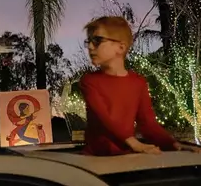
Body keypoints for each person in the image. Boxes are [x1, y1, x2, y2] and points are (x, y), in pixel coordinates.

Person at [80, 16, 201, 155]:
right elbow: (105, 118)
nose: (90, 46)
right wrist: (134, 143)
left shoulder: (138, 82)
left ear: (120, 47)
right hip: (95, 162)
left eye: (97, 40)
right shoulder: (89, 81)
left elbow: (148, 124)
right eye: (88, 41)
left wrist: (174, 145)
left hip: (129, 160)